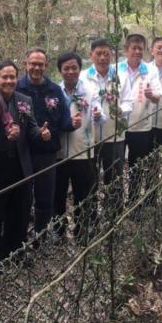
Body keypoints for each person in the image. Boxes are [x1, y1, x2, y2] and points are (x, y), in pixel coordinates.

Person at [16, 48, 80, 236]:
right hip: (23, 153)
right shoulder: (17, 88)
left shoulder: (54, 90)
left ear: (46, 66)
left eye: (40, 64)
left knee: (45, 198)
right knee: (23, 197)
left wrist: (73, 123)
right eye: (33, 63)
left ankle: (40, 236)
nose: (36, 67)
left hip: (47, 152)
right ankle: (20, 238)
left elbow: (63, 121)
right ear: (26, 64)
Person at [0, 60, 49, 256]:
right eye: (4, 77)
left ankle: (15, 251)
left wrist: (40, 133)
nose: (9, 81)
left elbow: (31, 127)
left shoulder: (24, 100)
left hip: (20, 165)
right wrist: (3, 136)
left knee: (20, 210)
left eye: (12, 77)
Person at [54, 52, 103, 240]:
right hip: (58, 153)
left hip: (83, 150)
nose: (70, 71)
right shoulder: (54, 91)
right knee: (57, 196)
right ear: (60, 71)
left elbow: (99, 113)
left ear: (79, 69)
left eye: (74, 67)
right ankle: (58, 232)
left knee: (84, 193)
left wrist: (99, 115)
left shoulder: (90, 90)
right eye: (66, 68)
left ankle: (84, 229)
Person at [118, 34, 162, 201]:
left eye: (140, 49)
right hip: (118, 127)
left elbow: (158, 96)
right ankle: (116, 204)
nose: (137, 52)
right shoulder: (116, 69)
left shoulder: (150, 70)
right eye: (133, 48)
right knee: (116, 168)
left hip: (141, 126)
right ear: (126, 50)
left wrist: (152, 96)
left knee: (136, 166)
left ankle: (134, 201)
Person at [83, 38, 126, 186]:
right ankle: (92, 209)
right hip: (89, 139)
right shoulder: (82, 77)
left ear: (112, 55)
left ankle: (115, 209)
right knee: (90, 180)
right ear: (91, 55)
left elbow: (129, 101)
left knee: (114, 180)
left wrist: (120, 110)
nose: (102, 58)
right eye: (98, 53)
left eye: (106, 54)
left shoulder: (122, 76)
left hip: (114, 136)